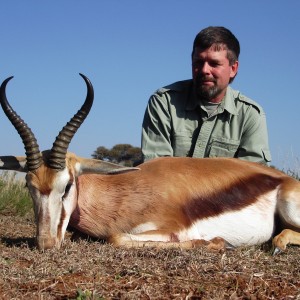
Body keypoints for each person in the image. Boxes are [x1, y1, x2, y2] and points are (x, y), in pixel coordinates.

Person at [141, 26, 271, 164]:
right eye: (198, 62)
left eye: (214, 63)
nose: (204, 70)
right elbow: (158, 171)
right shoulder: (164, 102)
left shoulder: (250, 114)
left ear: (233, 69)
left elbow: (252, 179)